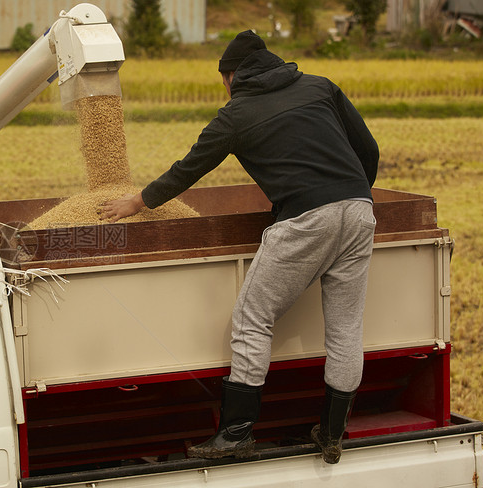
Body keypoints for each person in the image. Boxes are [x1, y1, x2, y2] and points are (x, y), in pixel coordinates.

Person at [99, 30, 378, 465]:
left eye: (222, 81)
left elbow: (188, 169)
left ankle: (235, 434)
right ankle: (332, 431)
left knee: (252, 319)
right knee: (345, 330)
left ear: (231, 76)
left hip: (306, 218)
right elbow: (367, 148)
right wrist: (352, 194)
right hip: (360, 211)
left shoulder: (235, 115)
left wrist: (136, 202)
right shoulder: (320, 86)